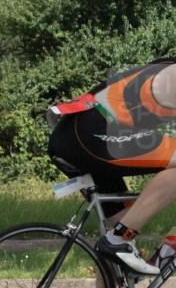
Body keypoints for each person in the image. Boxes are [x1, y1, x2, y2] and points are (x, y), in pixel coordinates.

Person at [47, 58, 176, 276]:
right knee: (117, 239)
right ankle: (119, 240)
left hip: (74, 135)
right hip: (92, 133)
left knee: (121, 235)